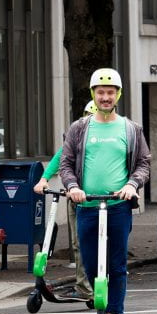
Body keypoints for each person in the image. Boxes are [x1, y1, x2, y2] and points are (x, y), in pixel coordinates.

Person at [60, 68, 151, 314]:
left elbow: (143, 164)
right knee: (90, 265)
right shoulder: (79, 128)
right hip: (87, 207)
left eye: (110, 92)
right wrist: (73, 187)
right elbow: (65, 164)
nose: (105, 97)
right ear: (93, 95)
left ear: (118, 94)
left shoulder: (131, 129)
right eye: (101, 92)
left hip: (118, 207)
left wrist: (131, 185)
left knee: (116, 265)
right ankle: (107, 308)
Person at [33, 100, 98, 299]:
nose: (86, 122)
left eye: (90, 117)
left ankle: (97, 285)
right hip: (76, 199)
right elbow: (60, 158)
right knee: (78, 244)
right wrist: (43, 179)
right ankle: (85, 287)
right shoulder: (76, 138)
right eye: (85, 116)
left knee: (100, 244)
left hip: (102, 201)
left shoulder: (106, 142)